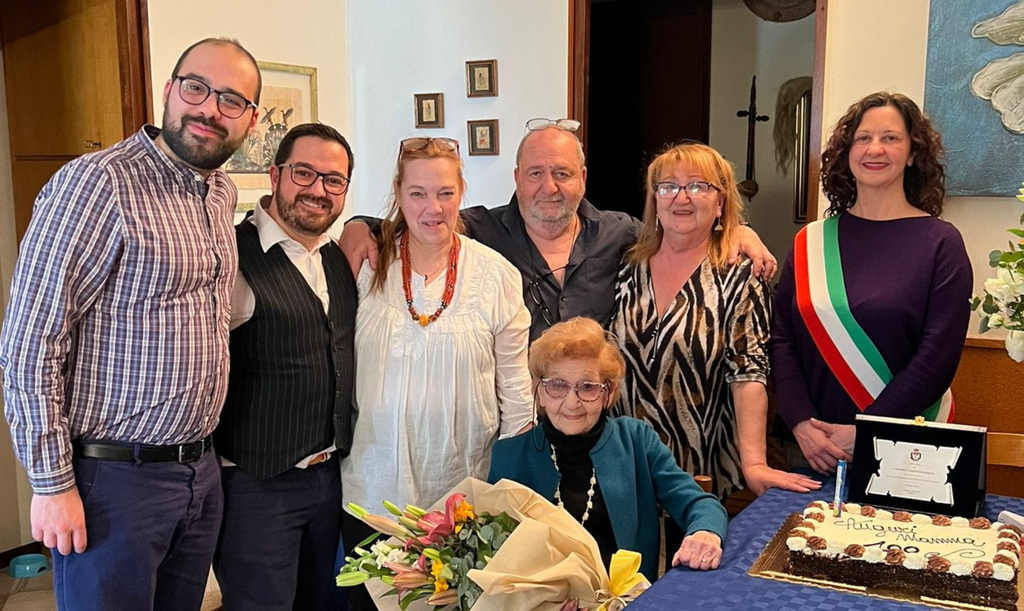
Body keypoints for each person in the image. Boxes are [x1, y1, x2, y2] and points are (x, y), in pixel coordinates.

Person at [0, 38, 261, 611]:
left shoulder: (219, 191)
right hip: (113, 482)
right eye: (196, 88)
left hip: (199, 471)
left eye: (231, 100)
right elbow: (30, 342)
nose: (209, 109)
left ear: (251, 118)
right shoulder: (97, 184)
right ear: (168, 90)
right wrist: (50, 483)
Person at [339, 119, 778, 343]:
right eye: (535, 173)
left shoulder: (621, 233)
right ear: (516, 178)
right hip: (515, 420)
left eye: (562, 173)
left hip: (597, 422)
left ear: (582, 179)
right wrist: (360, 226)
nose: (548, 188)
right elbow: (425, 218)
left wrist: (737, 230)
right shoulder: (478, 229)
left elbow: (684, 230)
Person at [339, 137, 533, 609]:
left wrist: (509, 492)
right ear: (397, 193)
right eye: (418, 193)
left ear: (461, 191)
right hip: (373, 491)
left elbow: (516, 392)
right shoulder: (364, 267)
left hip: (462, 496)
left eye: (446, 192)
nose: (434, 207)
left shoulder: (496, 275)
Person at [610, 142, 819, 556]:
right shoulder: (629, 264)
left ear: (721, 202)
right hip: (624, 459)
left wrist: (755, 462)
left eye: (698, 186)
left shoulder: (740, 273)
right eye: (668, 186)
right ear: (655, 200)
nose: (682, 197)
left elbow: (750, 374)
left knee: (684, 576)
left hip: (696, 466)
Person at [771, 92, 972, 475]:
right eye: (863, 138)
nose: (874, 148)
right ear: (847, 152)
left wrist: (868, 429)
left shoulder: (941, 243)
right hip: (812, 447)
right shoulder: (810, 242)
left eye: (890, 138)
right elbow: (783, 340)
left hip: (901, 446)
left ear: (912, 153)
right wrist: (800, 423)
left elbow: (937, 357)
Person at [212, 123, 355, 611]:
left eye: (333, 180)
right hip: (256, 485)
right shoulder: (228, 255)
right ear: (275, 176)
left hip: (330, 479)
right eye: (304, 173)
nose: (318, 190)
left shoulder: (340, 257)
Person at [489, 317, 728, 583]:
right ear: (540, 392)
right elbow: (495, 555)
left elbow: (699, 503)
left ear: (609, 392)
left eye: (587, 387)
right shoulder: (508, 457)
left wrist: (705, 532)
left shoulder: (636, 441)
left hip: (629, 598)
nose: (572, 402)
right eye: (558, 385)